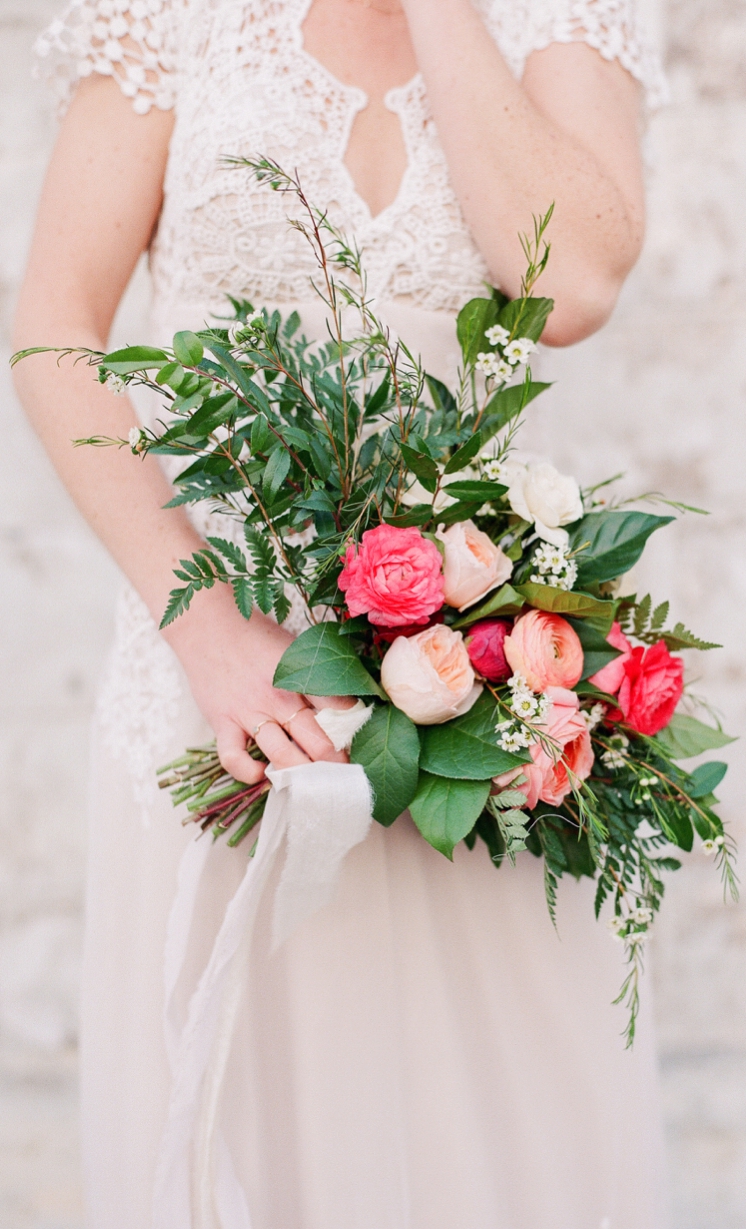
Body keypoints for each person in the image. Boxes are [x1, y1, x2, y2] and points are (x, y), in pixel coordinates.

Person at [13, 1, 670, 1225]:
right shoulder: (163, 16)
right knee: (242, 1126)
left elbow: (570, 278)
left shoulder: (562, 15)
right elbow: (55, 326)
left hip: (476, 698)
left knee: (496, 1143)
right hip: (218, 700)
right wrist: (204, 628)